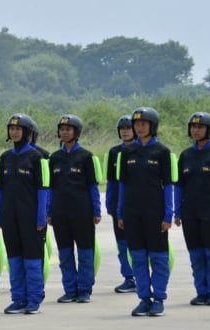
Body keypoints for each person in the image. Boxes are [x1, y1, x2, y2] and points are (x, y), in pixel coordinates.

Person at [117, 107, 174, 317]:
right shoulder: (127, 152)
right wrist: (120, 213)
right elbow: (122, 184)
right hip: (132, 213)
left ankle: (158, 298)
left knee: (158, 258)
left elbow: (168, 185)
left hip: (155, 212)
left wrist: (168, 215)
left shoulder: (162, 152)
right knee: (138, 258)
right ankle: (143, 298)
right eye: (136, 124)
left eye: (143, 124)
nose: (139, 128)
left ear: (152, 126)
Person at [0, 113, 49, 314]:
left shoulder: (37, 158)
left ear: (27, 132)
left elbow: (43, 189)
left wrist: (41, 217)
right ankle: (18, 298)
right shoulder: (5, 158)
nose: (14, 132)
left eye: (18, 129)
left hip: (31, 218)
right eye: (12, 129)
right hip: (10, 217)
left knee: (32, 260)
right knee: (14, 259)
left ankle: (34, 299)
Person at [174, 112, 210, 306]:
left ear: (209, 130)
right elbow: (179, 185)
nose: (195, 130)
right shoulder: (186, 155)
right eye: (193, 127)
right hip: (190, 213)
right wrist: (177, 212)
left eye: (200, 127)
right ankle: (201, 292)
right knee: (196, 255)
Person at [48, 114, 102, 304]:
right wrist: (49, 211)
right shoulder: (54, 158)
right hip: (60, 213)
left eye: (68, 129)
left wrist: (96, 210)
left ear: (76, 132)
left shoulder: (86, 157)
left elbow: (92, 186)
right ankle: (70, 289)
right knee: (64, 254)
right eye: (62, 129)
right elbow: (50, 188)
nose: (64, 132)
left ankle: (84, 289)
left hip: (82, 212)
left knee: (85, 253)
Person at [105, 115, 137, 293]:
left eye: (128, 128)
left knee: (139, 244)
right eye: (122, 128)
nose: (125, 131)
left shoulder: (142, 150)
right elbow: (111, 181)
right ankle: (128, 277)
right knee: (122, 243)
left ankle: (141, 276)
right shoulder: (114, 152)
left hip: (138, 203)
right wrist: (110, 204)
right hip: (119, 205)